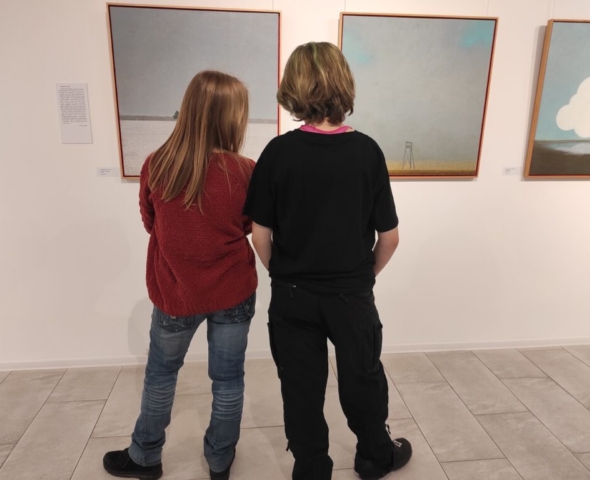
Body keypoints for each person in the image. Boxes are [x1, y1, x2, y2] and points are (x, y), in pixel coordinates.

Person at [244, 42, 412, 480]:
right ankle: (375, 455)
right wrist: (363, 276)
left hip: (293, 296)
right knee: (362, 377)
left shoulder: (277, 153)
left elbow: (260, 234)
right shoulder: (367, 152)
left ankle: (312, 466)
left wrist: (282, 273)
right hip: (351, 294)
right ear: (344, 83)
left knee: (300, 386)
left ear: (293, 87)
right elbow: (390, 238)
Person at [103, 71, 258, 480]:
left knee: (160, 375)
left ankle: (144, 457)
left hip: (175, 292)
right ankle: (220, 462)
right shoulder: (245, 170)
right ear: (232, 117)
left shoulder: (157, 164)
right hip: (233, 291)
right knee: (228, 381)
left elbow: (150, 221)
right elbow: (247, 225)